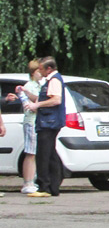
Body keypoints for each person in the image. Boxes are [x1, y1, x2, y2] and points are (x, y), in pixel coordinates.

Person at [26, 56, 65, 198]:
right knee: (51, 154)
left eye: (41, 68)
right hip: (50, 121)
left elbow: (56, 99)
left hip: (49, 122)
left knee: (43, 154)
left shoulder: (54, 80)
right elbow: (42, 98)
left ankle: (44, 187)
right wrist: (27, 94)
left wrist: (37, 105)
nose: (39, 71)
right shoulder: (51, 81)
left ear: (49, 69)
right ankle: (54, 186)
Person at [5, 59, 43, 193]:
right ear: (34, 72)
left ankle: (34, 180)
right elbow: (32, 106)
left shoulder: (39, 85)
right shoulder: (29, 86)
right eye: (39, 71)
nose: (42, 74)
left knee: (35, 152)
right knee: (30, 152)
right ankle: (28, 182)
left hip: (38, 122)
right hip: (31, 121)